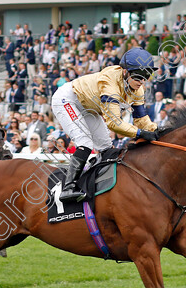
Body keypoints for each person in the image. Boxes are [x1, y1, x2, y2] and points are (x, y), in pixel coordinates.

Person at [52, 48, 158, 202]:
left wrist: (156, 131)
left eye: (146, 77)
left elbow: (141, 119)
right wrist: (140, 133)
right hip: (68, 100)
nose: (141, 82)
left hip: (89, 108)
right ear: (125, 72)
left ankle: (95, 184)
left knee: (106, 148)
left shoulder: (138, 89)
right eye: (138, 77)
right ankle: (67, 189)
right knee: (86, 143)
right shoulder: (109, 81)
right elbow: (114, 124)